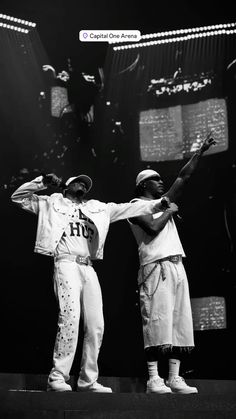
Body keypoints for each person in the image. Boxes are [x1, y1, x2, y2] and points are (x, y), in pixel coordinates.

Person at [11, 173, 166, 392]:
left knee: (96, 325)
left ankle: (87, 380)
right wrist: (42, 182)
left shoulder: (97, 208)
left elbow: (128, 209)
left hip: (88, 268)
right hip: (65, 263)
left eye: (85, 184)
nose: (82, 185)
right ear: (67, 186)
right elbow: (18, 197)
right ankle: (57, 376)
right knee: (70, 318)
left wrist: (159, 204)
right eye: (78, 182)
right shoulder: (52, 202)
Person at [129, 133, 216, 394]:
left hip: (177, 266)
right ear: (144, 185)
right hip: (155, 268)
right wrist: (169, 210)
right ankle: (153, 378)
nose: (161, 182)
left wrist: (199, 152)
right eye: (155, 180)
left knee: (179, 323)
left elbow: (183, 177)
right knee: (156, 321)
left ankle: (174, 378)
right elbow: (153, 228)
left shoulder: (162, 201)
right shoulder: (135, 206)